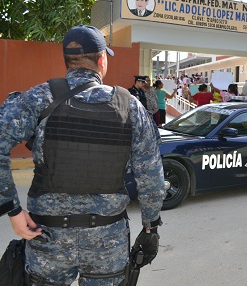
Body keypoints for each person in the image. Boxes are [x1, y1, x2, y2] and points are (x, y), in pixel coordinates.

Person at [0, 24, 165, 285]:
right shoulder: (130, 107)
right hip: (108, 241)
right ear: (101, 60)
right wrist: (150, 227)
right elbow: (150, 178)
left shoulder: (39, 98)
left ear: (68, 61)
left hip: (47, 238)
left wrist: (12, 210)